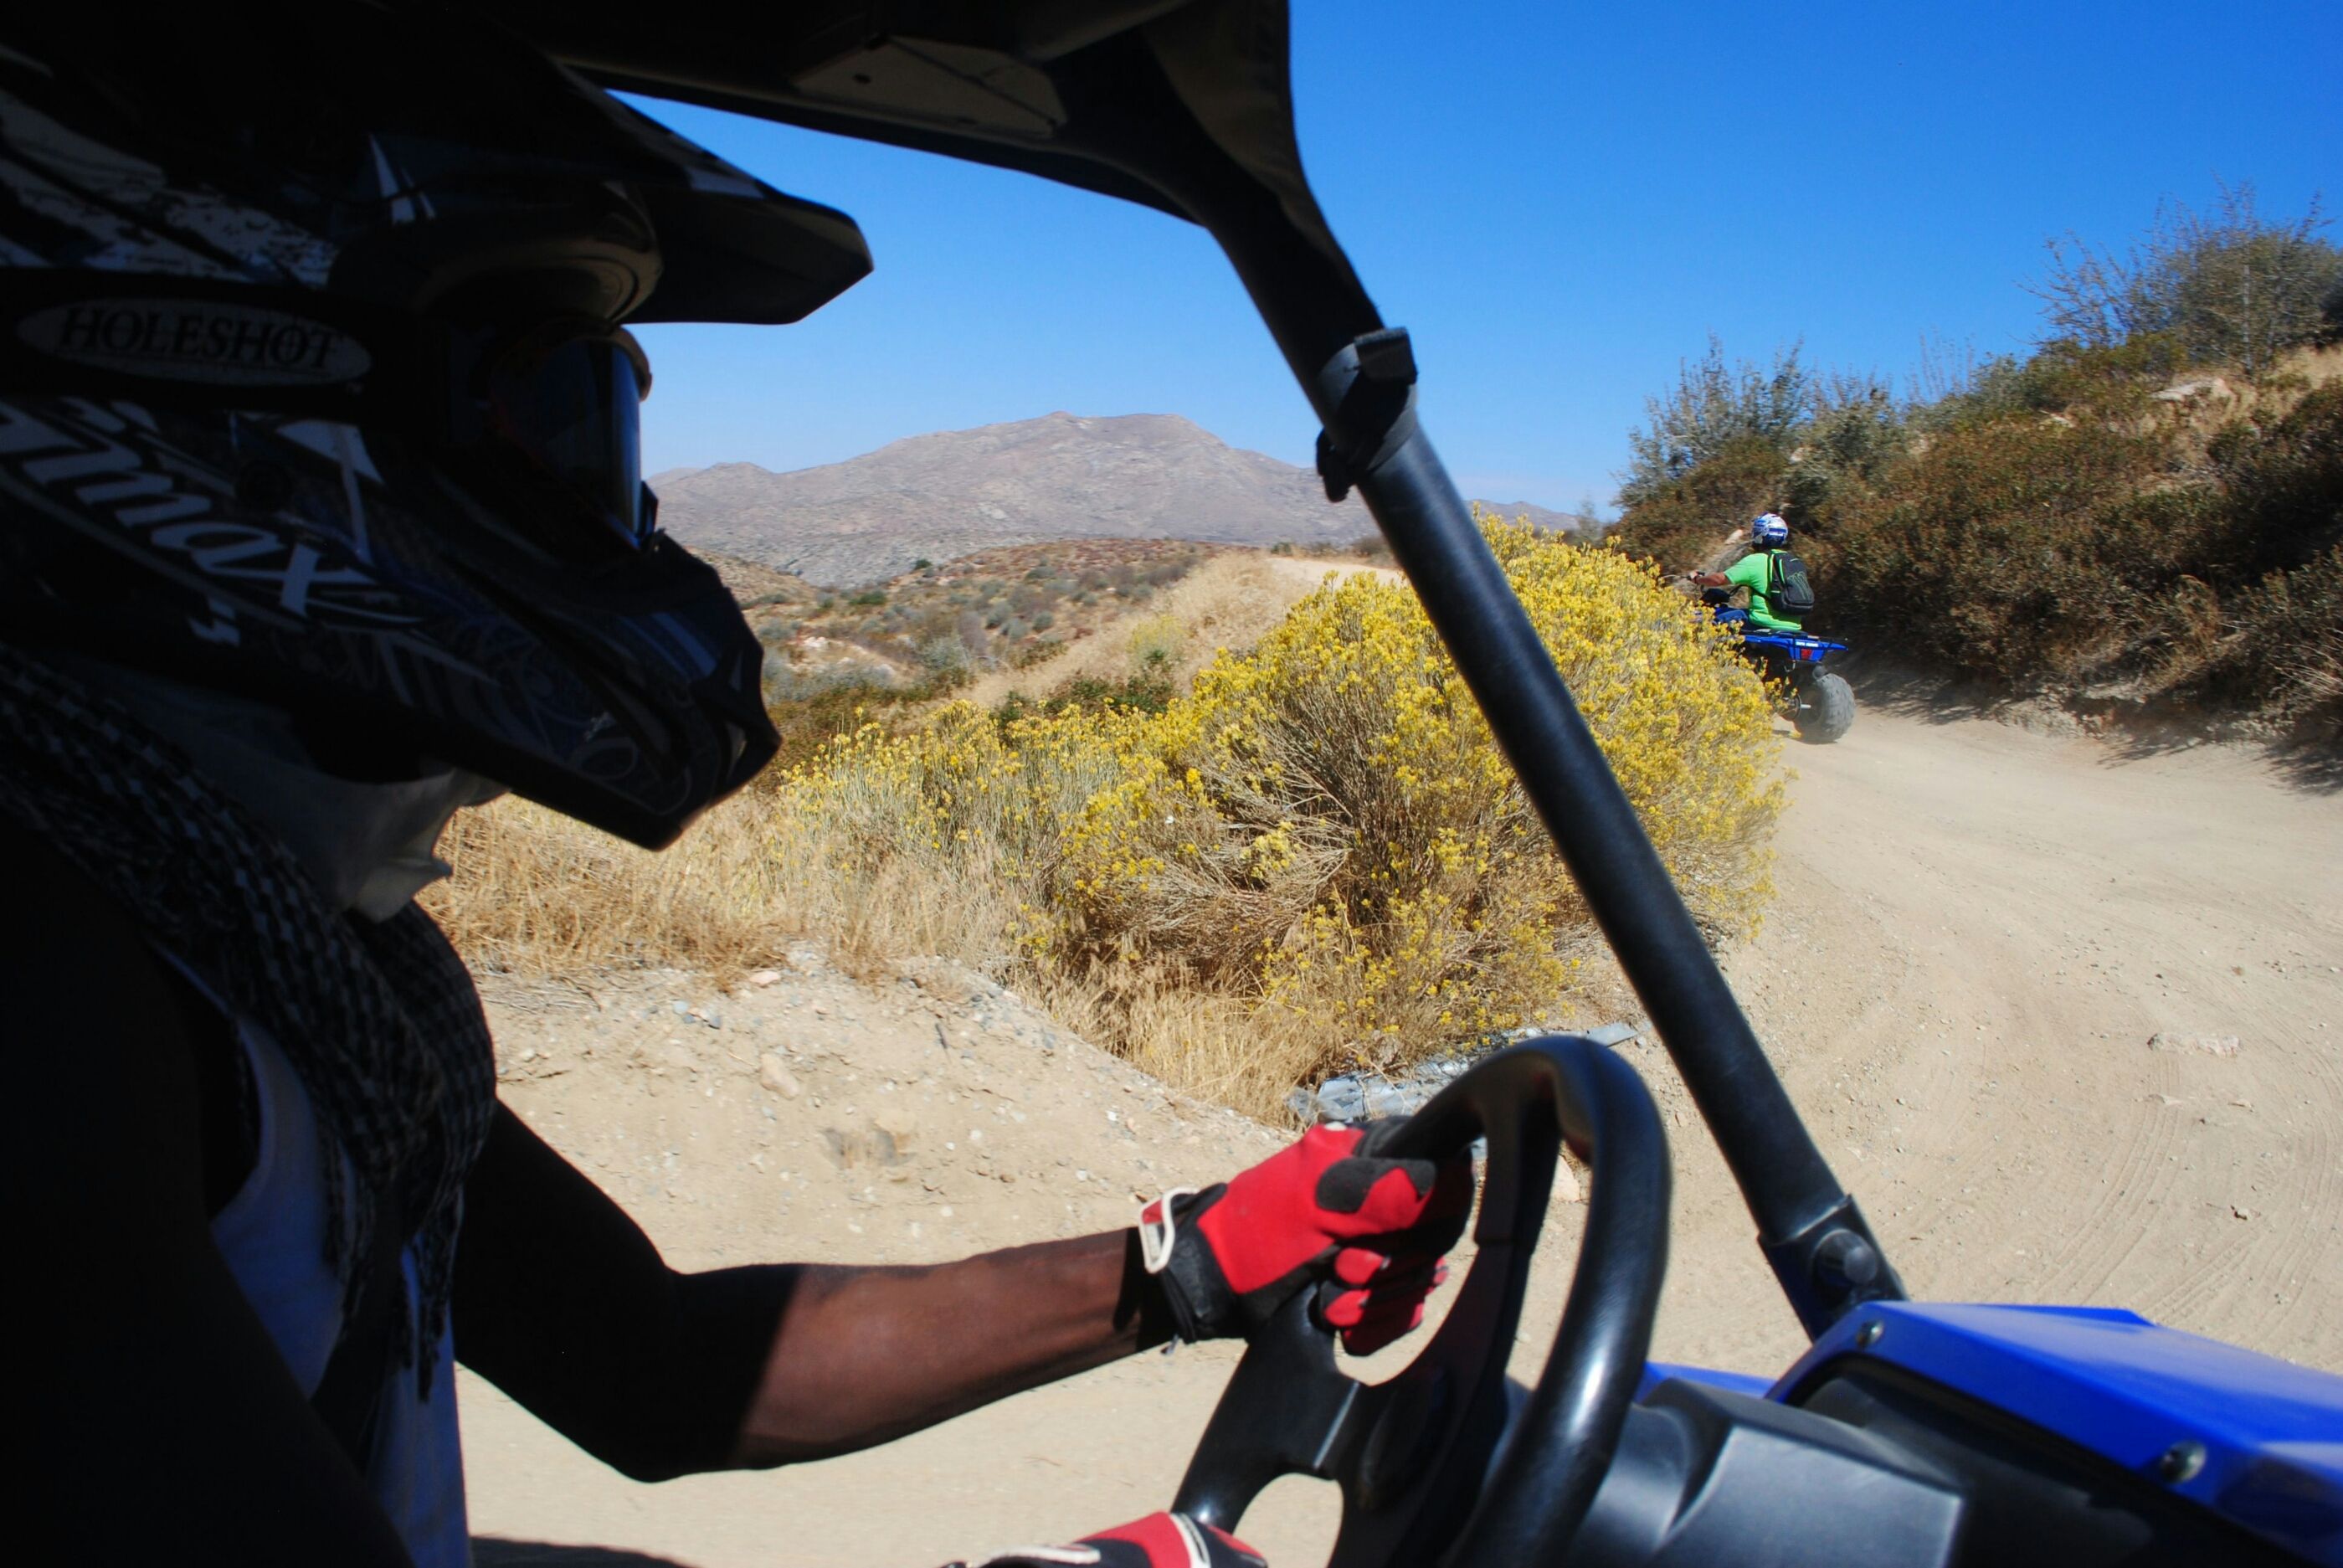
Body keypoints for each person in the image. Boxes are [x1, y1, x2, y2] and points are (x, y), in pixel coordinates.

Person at [0, 10, 1469, 1565]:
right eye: (550, 417)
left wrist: (1178, 1264)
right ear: (210, 393)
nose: (613, 515)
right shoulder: (44, 997)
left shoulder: (271, 948)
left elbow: (653, 1364)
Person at [1692, 512, 1806, 632]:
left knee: (1704, 620)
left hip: (1760, 622)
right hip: (1793, 625)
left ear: (1760, 535)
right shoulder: (1793, 561)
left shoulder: (1756, 560)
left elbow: (1720, 579)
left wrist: (1697, 579)